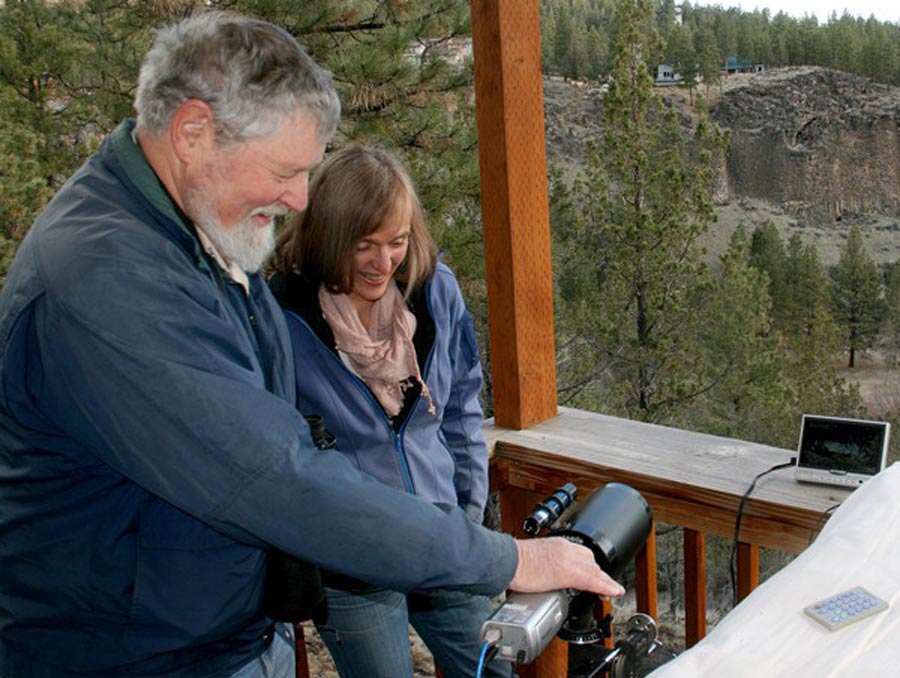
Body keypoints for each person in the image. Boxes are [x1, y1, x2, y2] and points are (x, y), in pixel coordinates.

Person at [0, 11, 624, 678]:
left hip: (209, 636)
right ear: (192, 133)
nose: (299, 198)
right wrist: (509, 559)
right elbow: (274, 476)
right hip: (129, 656)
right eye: (283, 170)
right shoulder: (109, 282)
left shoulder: (195, 236)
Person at [269, 144, 510, 678]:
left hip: (441, 535)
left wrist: (466, 513)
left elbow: (462, 409)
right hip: (353, 561)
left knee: (494, 669)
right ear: (330, 238)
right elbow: (283, 452)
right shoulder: (284, 318)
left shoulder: (434, 291)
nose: (384, 263)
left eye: (397, 242)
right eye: (365, 246)